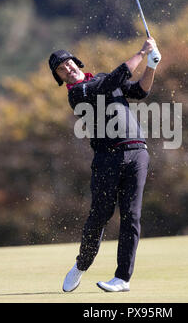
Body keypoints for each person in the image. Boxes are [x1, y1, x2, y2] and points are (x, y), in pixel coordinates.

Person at [48, 37, 161, 292]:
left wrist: (151, 66)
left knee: (131, 216)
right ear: (60, 78)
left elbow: (140, 91)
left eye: (68, 63)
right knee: (100, 216)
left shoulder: (99, 78)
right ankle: (81, 265)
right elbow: (112, 81)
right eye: (61, 69)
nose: (68, 68)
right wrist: (142, 53)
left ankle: (122, 278)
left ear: (76, 62)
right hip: (107, 158)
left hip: (137, 152)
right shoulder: (78, 93)